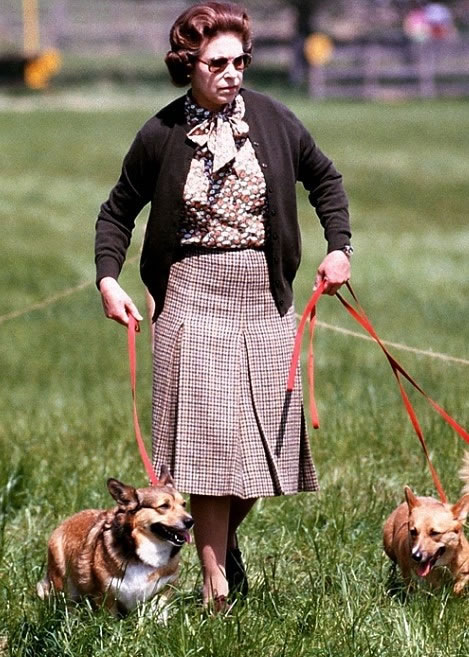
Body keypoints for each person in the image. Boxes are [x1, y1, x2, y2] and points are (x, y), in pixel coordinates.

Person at [95, 1, 352, 611]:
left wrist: (340, 248)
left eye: (240, 61)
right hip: (191, 295)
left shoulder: (274, 119)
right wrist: (109, 280)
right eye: (217, 63)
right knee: (211, 449)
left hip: (265, 296)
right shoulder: (160, 134)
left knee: (261, 453)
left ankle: (221, 541)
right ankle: (217, 590)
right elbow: (117, 212)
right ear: (189, 64)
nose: (232, 73)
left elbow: (326, 180)